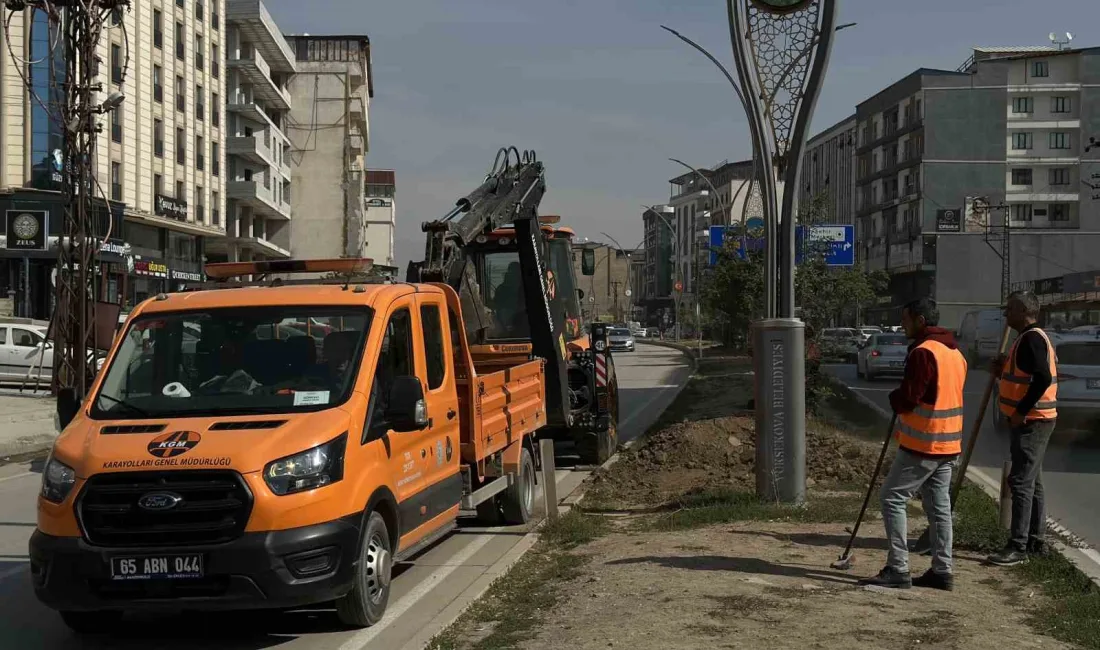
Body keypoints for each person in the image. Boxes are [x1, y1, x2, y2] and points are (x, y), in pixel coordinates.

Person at [859, 298, 966, 591]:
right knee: (938, 507)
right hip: (949, 443)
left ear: (920, 320)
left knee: (892, 498)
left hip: (924, 443)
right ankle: (942, 571)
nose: (902, 325)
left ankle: (898, 568)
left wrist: (894, 399)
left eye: (906, 320)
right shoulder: (955, 352)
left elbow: (911, 397)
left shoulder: (923, 352)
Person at [986, 291, 1057, 566]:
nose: (1006, 315)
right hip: (1035, 419)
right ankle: (1036, 540)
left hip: (1032, 421)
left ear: (1023, 311)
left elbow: (1042, 378)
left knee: (1020, 482)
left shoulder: (1031, 339)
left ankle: (1018, 546)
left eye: (1010, 309)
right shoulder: (1029, 338)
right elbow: (1025, 374)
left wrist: (1020, 412)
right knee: (1032, 481)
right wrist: (1003, 369)